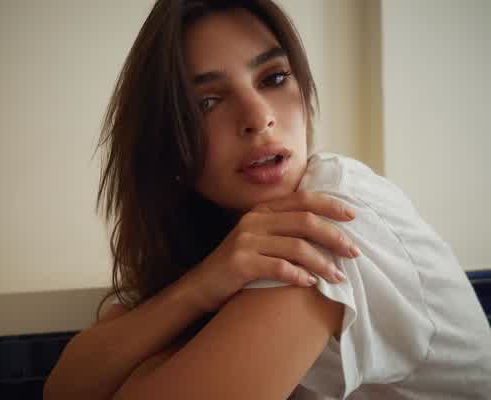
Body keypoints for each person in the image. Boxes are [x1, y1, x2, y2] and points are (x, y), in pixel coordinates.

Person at [44, 1, 491, 399]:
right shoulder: (222, 237)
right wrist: (199, 286)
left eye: (274, 78)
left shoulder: (328, 216)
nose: (259, 117)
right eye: (207, 103)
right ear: (166, 140)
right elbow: (64, 389)